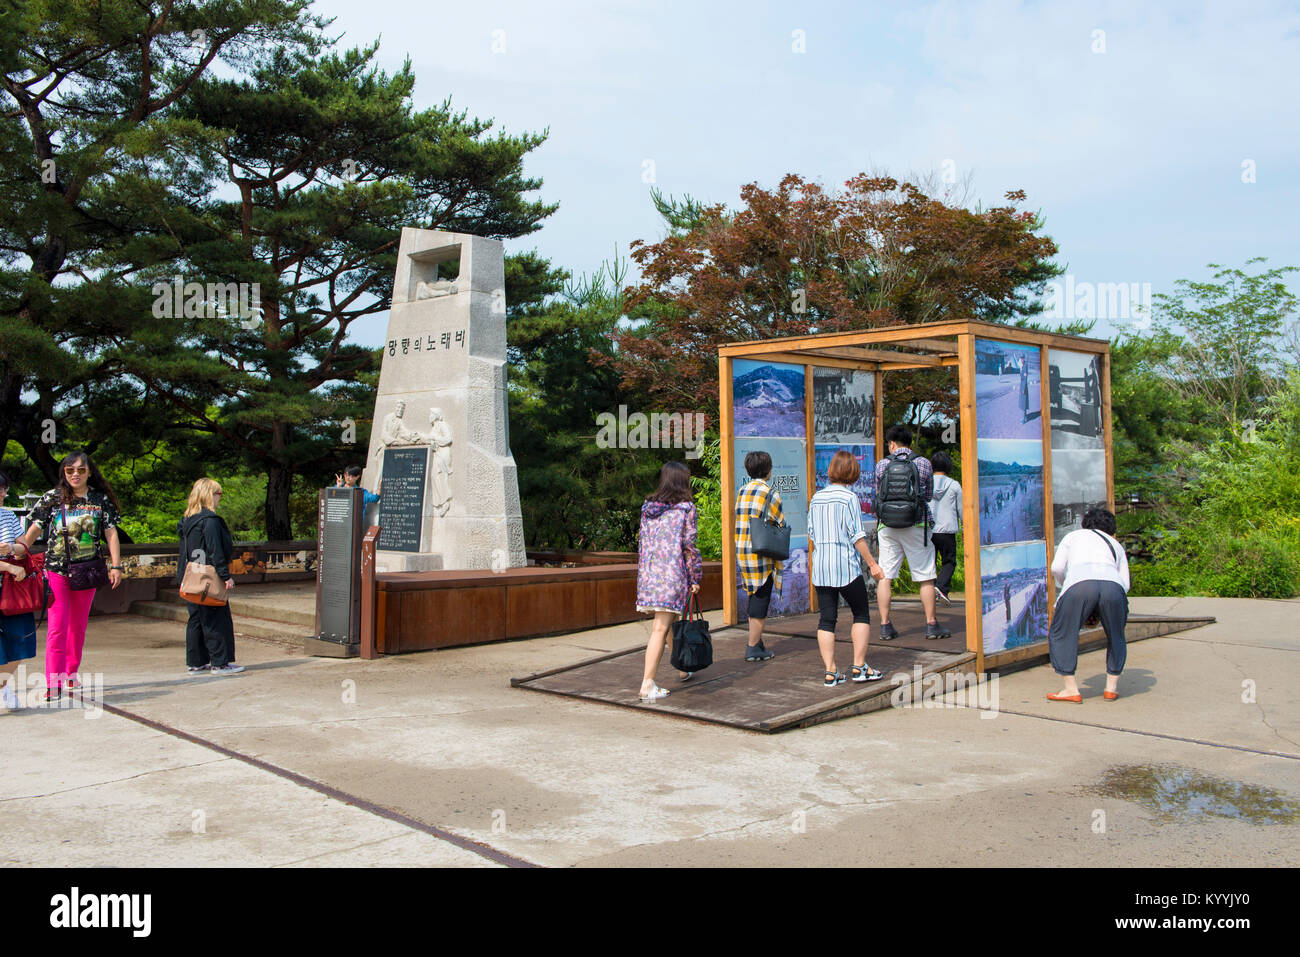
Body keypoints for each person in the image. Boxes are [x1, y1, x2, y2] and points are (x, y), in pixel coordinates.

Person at [16, 451, 123, 699]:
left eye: (81, 470)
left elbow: (111, 533)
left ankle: (70, 673)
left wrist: (116, 566)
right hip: (57, 570)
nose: (75, 474)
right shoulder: (52, 498)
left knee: (78, 626)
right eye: (70, 470)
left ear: (89, 472)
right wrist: (16, 552)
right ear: (64, 473)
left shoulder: (99, 500)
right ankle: (53, 683)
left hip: (87, 570)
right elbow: (33, 532)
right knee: (57, 626)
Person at [808, 451, 887, 687]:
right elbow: (857, 536)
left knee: (826, 619)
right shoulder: (849, 498)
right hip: (845, 566)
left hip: (821, 566)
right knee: (861, 612)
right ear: (852, 472)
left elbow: (812, 533)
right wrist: (873, 564)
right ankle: (859, 666)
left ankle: (831, 672)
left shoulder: (816, 498)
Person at [1046, 506, 1130, 702]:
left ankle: (1070, 689)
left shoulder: (1073, 536)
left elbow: (1057, 567)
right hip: (1114, 586)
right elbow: (1125, 584)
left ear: (1085, 523)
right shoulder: (1116, 545)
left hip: (1079, 584)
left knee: (1062, 633)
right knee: (1117, 635)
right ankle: (1111, 688)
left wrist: (1064, 587)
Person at [634, 462, 703, 701]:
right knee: (660, 628)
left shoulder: (648, 508)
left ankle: (683, 667)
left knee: (670, 622)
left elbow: (643, 544)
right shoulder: (686, 509)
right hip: (672, 576)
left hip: (650, 576)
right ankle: (647, 683)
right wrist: (694, 577)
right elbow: (689, 547)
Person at [873, 426, 948, 640]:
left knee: (885, 576)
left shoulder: (882, 465)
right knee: (925, 576)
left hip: (887, 526)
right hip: (917, 524)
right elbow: (929, 494)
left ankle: (885, 626)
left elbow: (879, 493)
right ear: (909, 443)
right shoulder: (923, 463)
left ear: (892, 444)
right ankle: (931, 625)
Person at [177, 478, 242, 676]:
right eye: (218, 493)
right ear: (209, 495)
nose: (219, 498)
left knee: (196, 618)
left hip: (190, 576)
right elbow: (215, 550)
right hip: (208, 578)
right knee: (215, 617)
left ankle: (196, 662)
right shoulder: (210, 521)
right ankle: (219, 663)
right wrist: (225, 576)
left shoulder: (187, 520)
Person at [733, 450, 782, 662]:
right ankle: (752, 646)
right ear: (768, 470)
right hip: (762, 553)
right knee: (761, 598)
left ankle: (757, 642)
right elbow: (779, 522)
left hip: (743, 550)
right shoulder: (771, 493)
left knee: (754, 594)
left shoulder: (742, 491)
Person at [0, 470, 37, 711]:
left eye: (3, 489)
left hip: (12, 589)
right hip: (10, 575)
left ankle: (3, 686)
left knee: (19, 641)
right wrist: (8, 566)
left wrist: (12, 547)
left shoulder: (8, 515)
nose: (2, 493)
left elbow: (24, 545)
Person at [928, 451, 962, 605]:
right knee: (949, 561)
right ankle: (941, 588)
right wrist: (965, 528)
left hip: (929, 530)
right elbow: (961, 509)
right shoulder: (954, 485)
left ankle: (932, 592)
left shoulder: (926, 484)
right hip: (947, 530)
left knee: (930, 563)